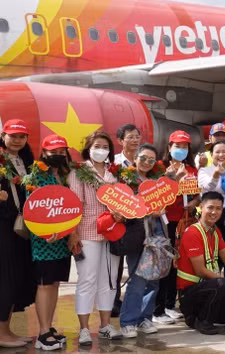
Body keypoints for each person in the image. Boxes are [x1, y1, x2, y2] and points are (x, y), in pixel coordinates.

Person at [67, 131, 123, 345]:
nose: (101, 150)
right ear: (88, 149)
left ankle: (105, 326)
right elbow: (74, 205)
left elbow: (124, 199)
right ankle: (83, 329)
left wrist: (121, 214)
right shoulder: (79, 172)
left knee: (108, 281)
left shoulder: (115, 173)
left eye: (105, 147)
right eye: (97, 146)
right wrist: (73, 232)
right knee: (87, 279)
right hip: (87, 231)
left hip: (112, 232)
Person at [23, 135, 72, 350]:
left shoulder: (65, 174)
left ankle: (49, 326)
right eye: (53, 151)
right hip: (44, 240)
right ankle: (42, 333)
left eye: (62, 151)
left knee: (55, 284)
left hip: (62, 240)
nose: (58, 155)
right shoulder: (36, 175)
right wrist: (45, 231)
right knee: (44, 285)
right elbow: (32, 207)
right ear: (44, 153)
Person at [118, 144, 167, 339]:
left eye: (151, 160)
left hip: (157, 233)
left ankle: (145, 318)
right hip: (138, 234)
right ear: (135, 158)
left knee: (154, 279)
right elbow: (125, 209)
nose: (146, 163)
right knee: (138, 279)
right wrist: (149, 212)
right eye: (143, 158)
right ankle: (128, 321)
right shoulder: (127, 181)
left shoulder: (156, 183)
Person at [176, 192, 225, 335]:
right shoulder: (193, 232)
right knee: (222, 283)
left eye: (218, 208)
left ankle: (211, 316)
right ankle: (200, 321)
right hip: (189, 294)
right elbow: (200, 271)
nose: (214, 212)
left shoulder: (215, 232)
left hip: (206, 288)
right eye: (210, 208)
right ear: (201, 207)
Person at [154, 130, 199, 325]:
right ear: (169, 147)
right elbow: (157, 193)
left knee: (176, 264)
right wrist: (175, 179)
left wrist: (195, 202)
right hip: (164, 221)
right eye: (177, 146)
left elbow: (198, 194)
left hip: (185, 221)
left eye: (184, 146)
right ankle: (157, 309)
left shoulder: (191, 169)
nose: (180, 149)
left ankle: (169, 305)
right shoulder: (159, 168)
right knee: (164, 264)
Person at [0, 120, 37, 348]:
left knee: (15, 280)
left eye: (22, 136)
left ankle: (7, 330)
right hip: (3, 227)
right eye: (13, 135)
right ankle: (1, 333)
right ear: (3, 135)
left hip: (21, 227)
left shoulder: (25, 161)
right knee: (5, 279)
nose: (17, 140)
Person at [111, 124, 140, 317]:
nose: (135, 140)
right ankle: (113, 302)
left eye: (137, 136)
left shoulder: (144, 160)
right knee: (116, 263)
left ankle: (134, 302)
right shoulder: (113, 163)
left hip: (139, 218)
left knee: (137, 262)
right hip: (119, 217)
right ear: (120, 141)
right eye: (130, 137)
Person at [198, 140, 225, 282]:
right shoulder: (204, 171)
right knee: (210, 253)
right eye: (217, 152)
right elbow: (207, 188)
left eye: (224, 151)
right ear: (211, 154)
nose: (221, 155)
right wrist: (215, 174)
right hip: (210, 215)